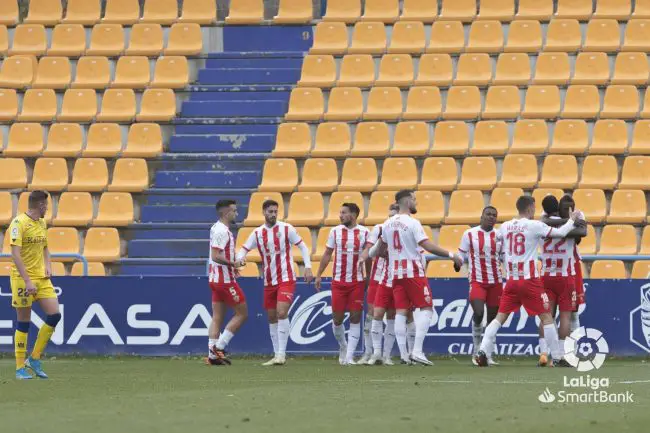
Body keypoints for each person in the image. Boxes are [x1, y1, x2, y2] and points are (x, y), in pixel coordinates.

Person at [475, 195, 583, 367]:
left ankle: (482, 351)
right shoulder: (534, 225)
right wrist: (571, 220)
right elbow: (561, 233)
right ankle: (557, 356)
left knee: (499, 318)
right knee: (547, 317)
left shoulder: (505, 226)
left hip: (511, 280)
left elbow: (497, 240)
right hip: (530, 280)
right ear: (531, 208)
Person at [360, 190, 463, 366]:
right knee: (427, 307)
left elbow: (375, 251)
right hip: (413, 271)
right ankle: (417, 351)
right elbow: (427, 245)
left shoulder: (388, 224)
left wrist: (369, 254)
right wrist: (451, 255)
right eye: (414, 199)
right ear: (407, 201)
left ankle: (405, 354)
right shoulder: (413, 223)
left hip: (395, 274)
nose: (416, 202)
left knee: (401, 311)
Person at [236, 199, 313, 366]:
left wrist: (307, 267)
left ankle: (282, 354)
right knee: (271, 317)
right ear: (263, 212)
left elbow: (303, 247)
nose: (273, 214)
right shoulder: (257, 233)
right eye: (270, 211)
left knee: (281, 312)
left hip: (286, 277)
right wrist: (240, 259)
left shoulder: (286, 228)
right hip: (269, 280)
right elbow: (243, 249)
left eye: (275, 211)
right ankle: (276, 354)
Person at [10, 191, 60, 380]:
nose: (47, 208)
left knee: (54, 314)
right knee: (24, 321)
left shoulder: (42, 223)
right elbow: (15, 254)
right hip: (23, 278)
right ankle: (19, 367)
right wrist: (28, 281)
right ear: (40, 205)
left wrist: (48, 265)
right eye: (46, 205)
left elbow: (45, 247)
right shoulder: (18, 223)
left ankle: (35, 358)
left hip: (41, 277)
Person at [314, 203, 370, 365]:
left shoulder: (365, 233)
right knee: (337, 319)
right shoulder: (335, 231)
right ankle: (343, 346)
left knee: (355, 317)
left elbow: (368, 258)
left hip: (357, 282)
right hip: (338, 282)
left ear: (353, 215)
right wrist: (319, 274)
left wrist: (368, 277)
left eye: (343, 213)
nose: (340, 215)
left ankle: (350, 356)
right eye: (340, 213)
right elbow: (327, 254)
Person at [537, 195, 586, 367]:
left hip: (546, 276)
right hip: (565, 276)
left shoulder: (541, 224)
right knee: (565, 316)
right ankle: (562, 356)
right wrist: (573, 219)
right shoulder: (570, 225)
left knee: (546, 316)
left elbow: (543, 221)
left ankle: (544, 353)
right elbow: (582, 233)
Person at [456, 206, 503, 366]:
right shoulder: (469, 234)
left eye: (494, 215)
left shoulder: (499, 235)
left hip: (496, 282)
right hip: (477, 281)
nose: (491, 217)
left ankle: (487, 354)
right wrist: (458, 263)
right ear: (481, 216)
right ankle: (476, 350)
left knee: (492, 320)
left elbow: (504, 257)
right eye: (488, 214)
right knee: (478, 312)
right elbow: (461, 254)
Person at [206, 199, 247, 366]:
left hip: (215, 279)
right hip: (225, 281)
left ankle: (212, 356)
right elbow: (216, 255)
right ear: (225, 213)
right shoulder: (222, 231)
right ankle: (219, 347)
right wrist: (233, 264)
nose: (236, 214)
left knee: (217, 317)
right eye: (234, 211)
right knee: (242, 313)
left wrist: (232, 265)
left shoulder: (216, 228)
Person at [361, 203, 400, 365]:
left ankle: (386, 355)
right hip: (378, 278)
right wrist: (366, 270)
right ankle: (370, 352)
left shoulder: (406, 230)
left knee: (391, 315)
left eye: (394, 217)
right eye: (389, 216)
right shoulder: (379, 228)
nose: (391, 220)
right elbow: (369, 250)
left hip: (396, 277)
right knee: (372, 314)